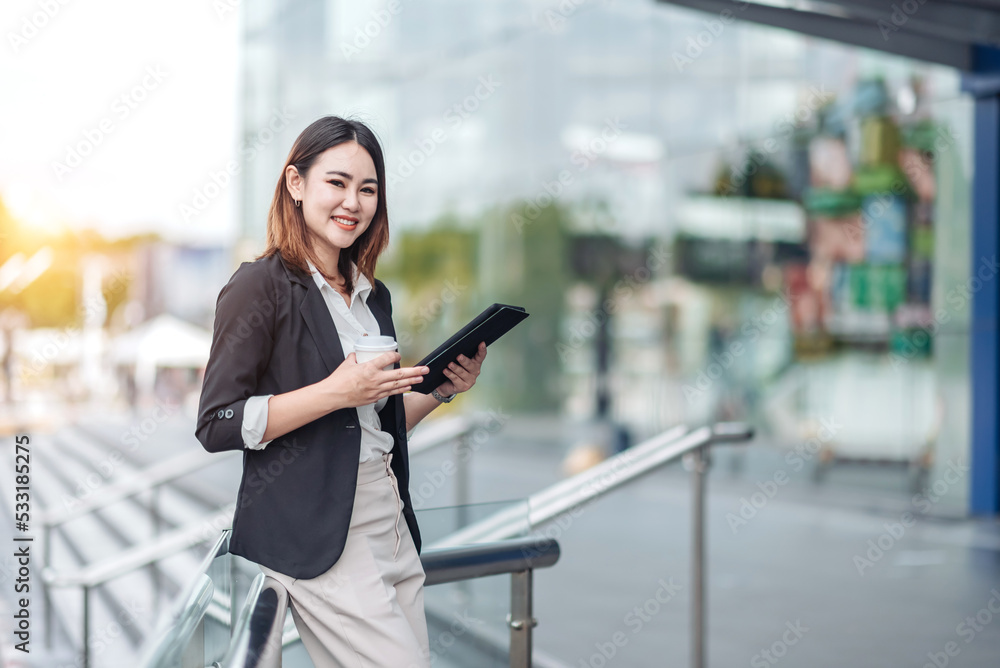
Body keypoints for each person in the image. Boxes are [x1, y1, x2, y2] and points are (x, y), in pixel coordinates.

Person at [194, 115, 488, 667]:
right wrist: (334, 391)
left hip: (391, 520)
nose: (354, 200)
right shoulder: (260, 286)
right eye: (337, 182)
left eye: (368, 188)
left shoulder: (373, 297)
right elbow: (217, 423)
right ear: (296, 184)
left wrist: (442, 389)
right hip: (324, 534)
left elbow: (375, 421)